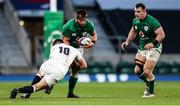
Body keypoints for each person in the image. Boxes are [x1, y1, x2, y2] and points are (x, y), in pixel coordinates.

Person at [44, 9, 97, 98]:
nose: (83, 22)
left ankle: (70, 93)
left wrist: (93, 42)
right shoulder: (68, 26)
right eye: (81, 20)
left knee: (77, 69)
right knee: (62, 68)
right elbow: (65, 41)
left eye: (84, 20)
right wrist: (72, 52)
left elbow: (94, 34)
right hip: (68, 47)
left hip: (79, 49)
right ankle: (50, 84)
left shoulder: (89, 24)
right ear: (77, 19)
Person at [10, 39, 87, 99]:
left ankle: (26, 93)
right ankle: (18, 90)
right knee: (36, 87)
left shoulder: (54, 47)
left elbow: (58, 50)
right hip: (59, 70)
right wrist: (76, 67)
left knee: (39, 74)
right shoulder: (75, 51)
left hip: (48, 64)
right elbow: (84, 66)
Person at [121, 3, 165, 98]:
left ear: (144, 11)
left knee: (147, 70)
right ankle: (150, 82)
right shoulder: (136, 21)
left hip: (154, 47)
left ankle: (151, 92)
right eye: (135, 12)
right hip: (142, 47)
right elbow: (133, 31)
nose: (136, 14)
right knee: (137, 70)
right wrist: (127, 41)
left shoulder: (152, 21)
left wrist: (152, 43)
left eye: (138, 12)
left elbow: (161, 35)